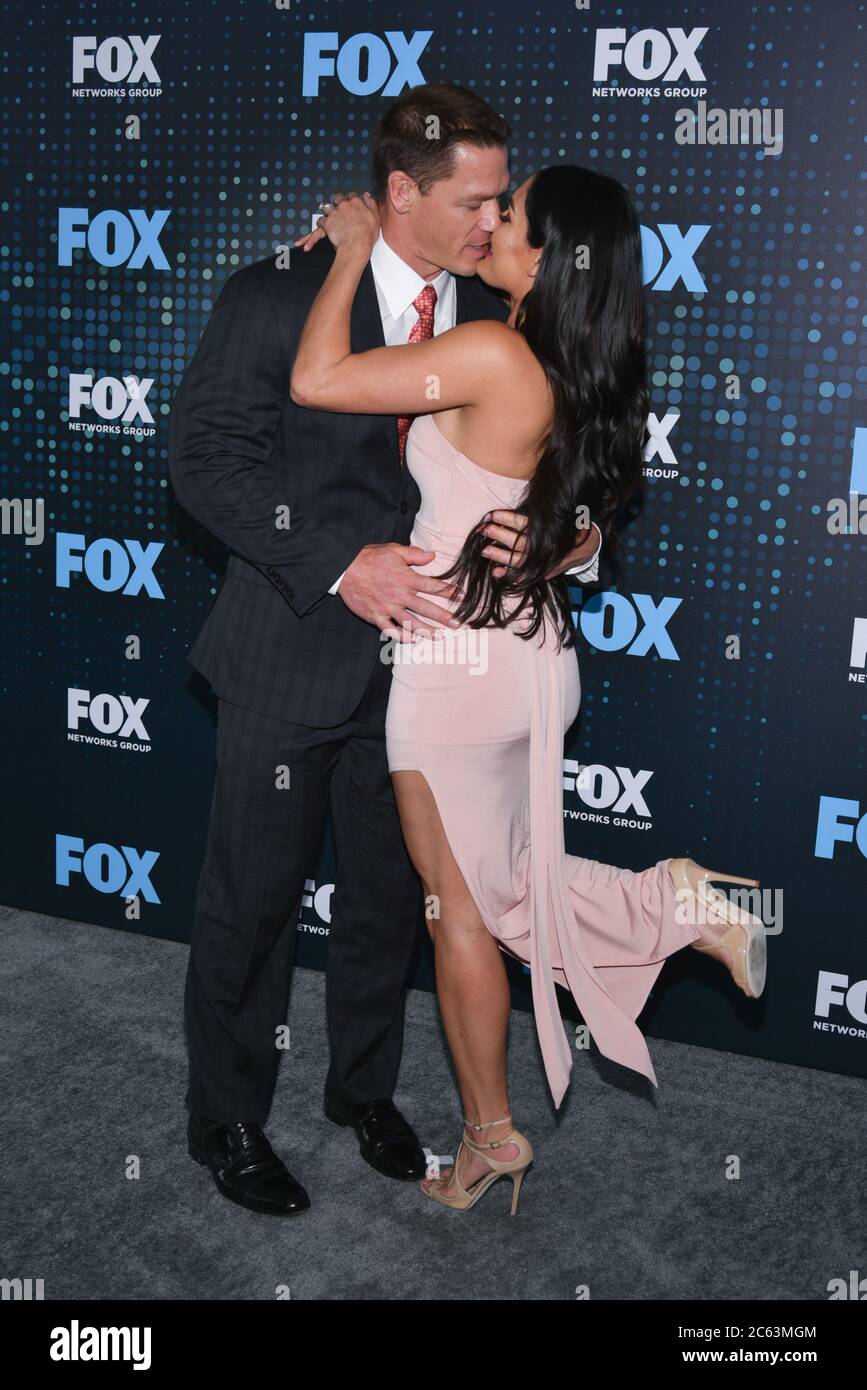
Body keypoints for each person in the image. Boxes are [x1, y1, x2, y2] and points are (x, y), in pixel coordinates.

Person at [289, 164, 768, 1215]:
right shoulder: (575, 362)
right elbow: (579, 517)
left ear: (548, 257)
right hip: (531, 660)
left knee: (458, 912)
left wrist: (353, 250)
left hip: (457, 668)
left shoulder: (494, 351)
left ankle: (489, 1135)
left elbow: (317, 379)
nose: (489, 222)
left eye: (508, 215)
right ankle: (672, 907)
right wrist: (575, 541)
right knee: (499, 888)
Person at [168, 83, 599, 1217]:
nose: (491, 223)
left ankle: (361, 1091)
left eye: (502, 203)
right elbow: (202, 461)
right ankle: (227, 1119)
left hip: (432, 675)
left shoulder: (499, 318)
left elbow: (564, 470)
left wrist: (568, 539)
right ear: (401, 191)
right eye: (473, 201)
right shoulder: (281, 290)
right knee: (253, 903)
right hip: (291, 648)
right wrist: (335, 563)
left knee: (388, 903)